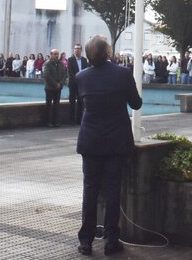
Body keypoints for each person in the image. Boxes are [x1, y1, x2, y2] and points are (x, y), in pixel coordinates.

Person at [74, 35, 143, 257]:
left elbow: (80, 103)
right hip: (116, 141)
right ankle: (111, 241)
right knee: (113, 190)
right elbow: (136, 103)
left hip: (90, 140)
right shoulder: (122, 74)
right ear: (107, 53)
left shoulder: (81, 77)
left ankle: (86, 241)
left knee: (90, 190)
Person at [43, 48, 68, 128]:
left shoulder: (60, 63)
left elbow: (64, 74)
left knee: (57, 105)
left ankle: (56, 121)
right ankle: (48, 122)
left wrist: (60, 83)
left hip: (58, 88)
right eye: (55, 54)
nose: (57, 55)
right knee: (49, 105)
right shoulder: (47, 63)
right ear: (51, 55)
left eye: (57, 54)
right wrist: (55, 84)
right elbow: (47, 76)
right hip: (50, 88)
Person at [67, 43, 89, 124]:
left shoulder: (84, 60)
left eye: (78, 48)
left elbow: (86, 71)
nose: (77, 50)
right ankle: (71, 119)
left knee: (81, 102)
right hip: (73, 84)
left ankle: (79, 119)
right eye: (75, 48)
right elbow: (70, 73)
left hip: (82, 85)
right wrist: (78, 80)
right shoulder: (70, 60)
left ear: (81, 50)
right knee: (72, 102)